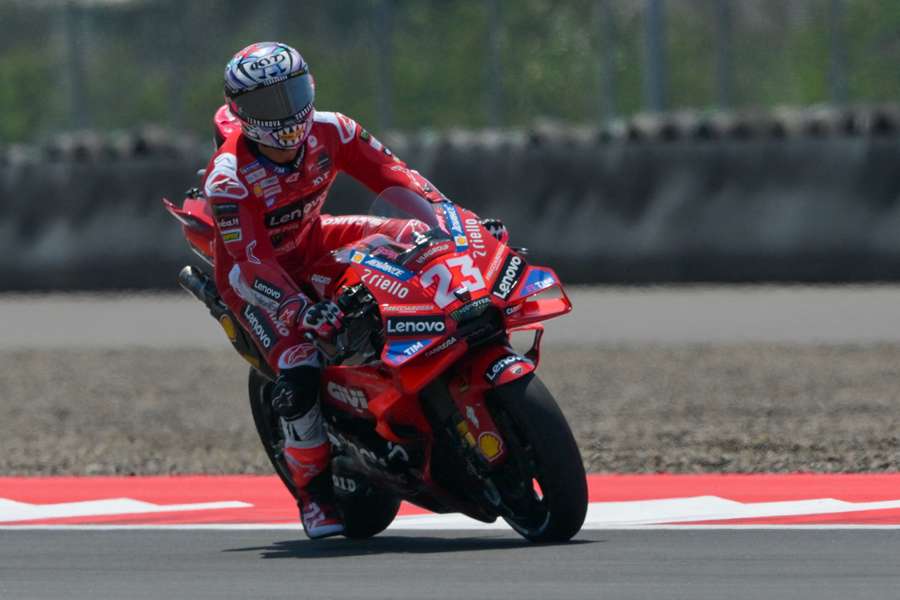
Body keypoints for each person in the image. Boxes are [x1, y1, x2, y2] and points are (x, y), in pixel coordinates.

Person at [202, 41, 452, 539]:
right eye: (267, 104)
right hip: (256, 283)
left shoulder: (333, 129)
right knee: (298, 367)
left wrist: (454, 223)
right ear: (240, 111)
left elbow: (399, 178)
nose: (286, 112)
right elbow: (253, 265)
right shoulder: (229, 179)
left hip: (314, 238)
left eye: (292, 92)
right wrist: (297, 310)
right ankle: (314, 495)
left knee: (414, 239)